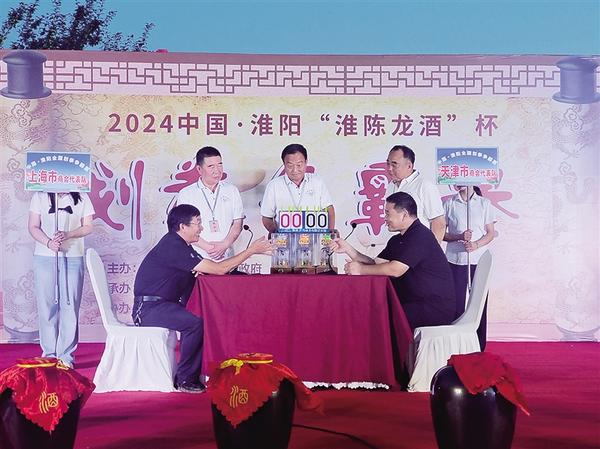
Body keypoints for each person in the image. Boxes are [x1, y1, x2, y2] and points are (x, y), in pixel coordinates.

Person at [132, 204, 274, 393]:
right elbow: (219, 269)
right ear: (183, 227)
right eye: (197, 223)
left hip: (165, 305)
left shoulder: (182, 245)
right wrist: (251, 250)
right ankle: (185, 379)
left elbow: (210, 270)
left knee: (203, 316)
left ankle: (203, 372)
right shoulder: (173, 246)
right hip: (148, 309)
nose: (201, 228)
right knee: (194, 323)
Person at [330, 192, 455, 330]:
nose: (385, 218)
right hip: (412, 303)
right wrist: (348, 249)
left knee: (378, 319)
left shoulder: (420, 236)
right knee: (367, 311)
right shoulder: (397, 240)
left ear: (404, 214)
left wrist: (360, 269)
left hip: (432, 308)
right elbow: (377, 264)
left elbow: (395, 269)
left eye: (388, 213)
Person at [28, 191, 95, 368]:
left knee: (70, 306)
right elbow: (33, 226)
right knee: (47, 306)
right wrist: (48, 243)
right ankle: (49, 355)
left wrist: (68, 234)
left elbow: (88, 226)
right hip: (44, 257)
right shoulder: (39, 196)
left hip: (73, 257)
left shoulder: (82, 196)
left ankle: (66, 357)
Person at [443, 185, 495, 350]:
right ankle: (455, 343)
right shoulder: (449, 203)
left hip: (478, 260)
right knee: (455, 303)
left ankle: (478, 344)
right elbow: (441, 233)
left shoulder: (484, 203)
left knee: (479, 303)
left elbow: (490, 233)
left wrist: (476, 244)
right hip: (455, 260)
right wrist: (459, 236)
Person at [177, 146, 244, 260]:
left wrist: (224, 245)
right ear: (199, 169)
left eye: (220, 165)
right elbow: (183, 229)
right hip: (197, 257)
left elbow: (238, 222)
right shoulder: (186, 193)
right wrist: (209, 248)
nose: (217, 170)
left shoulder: (232, 190)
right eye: (211, 166)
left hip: (227, 255)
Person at [261, 143, 335, 233]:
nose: (295, 170)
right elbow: (266, 217)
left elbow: (329, 209)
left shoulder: (317, 182)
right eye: (290, 166)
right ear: (284, 164)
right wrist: (276, 234)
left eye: (299, 165)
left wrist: (330, 232)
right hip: (284, 238)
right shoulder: (274, 185)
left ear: (306, 162)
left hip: (314, 237)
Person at [385, 145, 445, 242]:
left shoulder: (424, 186)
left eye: (394, 165)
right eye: (388, 164)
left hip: (417, 247)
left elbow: (439, 223)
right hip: (395, 246)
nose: (389, 169)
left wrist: (431, 249)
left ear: (409, 166)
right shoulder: (391, 186)